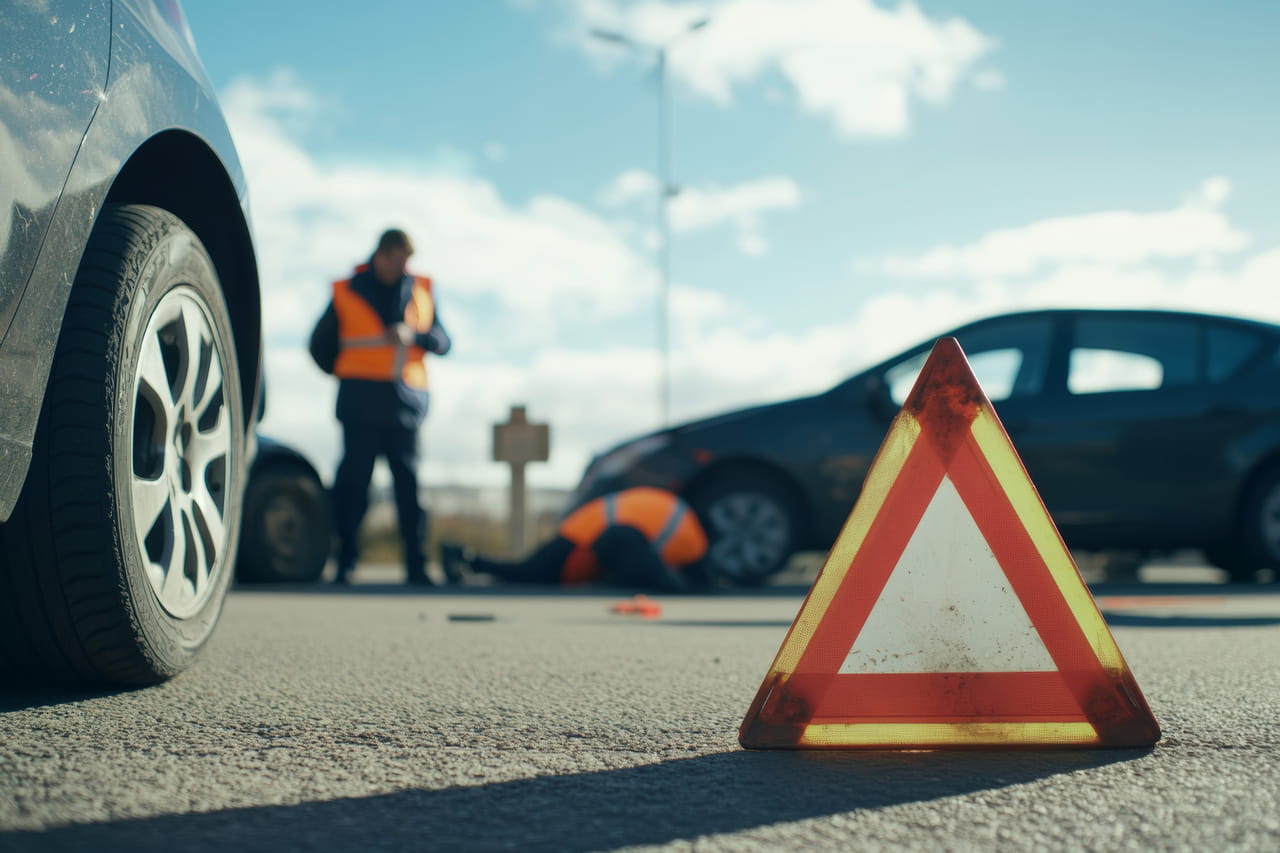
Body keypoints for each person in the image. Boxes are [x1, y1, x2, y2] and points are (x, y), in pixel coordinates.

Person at [308, 228, 451, 585]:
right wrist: (346, 373)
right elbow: (320, 345)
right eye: (398, 259)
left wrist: (414, 336)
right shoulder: (347, 291)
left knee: (409, 489)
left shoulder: (421, 291)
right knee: (354, 487)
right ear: (381, 255)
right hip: (360, 405)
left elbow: (443, 340)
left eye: (407, 260)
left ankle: (416, 566)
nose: (403, 267)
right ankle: (346, 563)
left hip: (405, 406)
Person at [441, 487, 709, 592]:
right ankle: (467, 558)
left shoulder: (684, 524)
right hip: (587, 537)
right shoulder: (692, 546)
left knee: (531, 570)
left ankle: (469, 559)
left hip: (585, 528)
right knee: (532, 573)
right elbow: (666, 579)